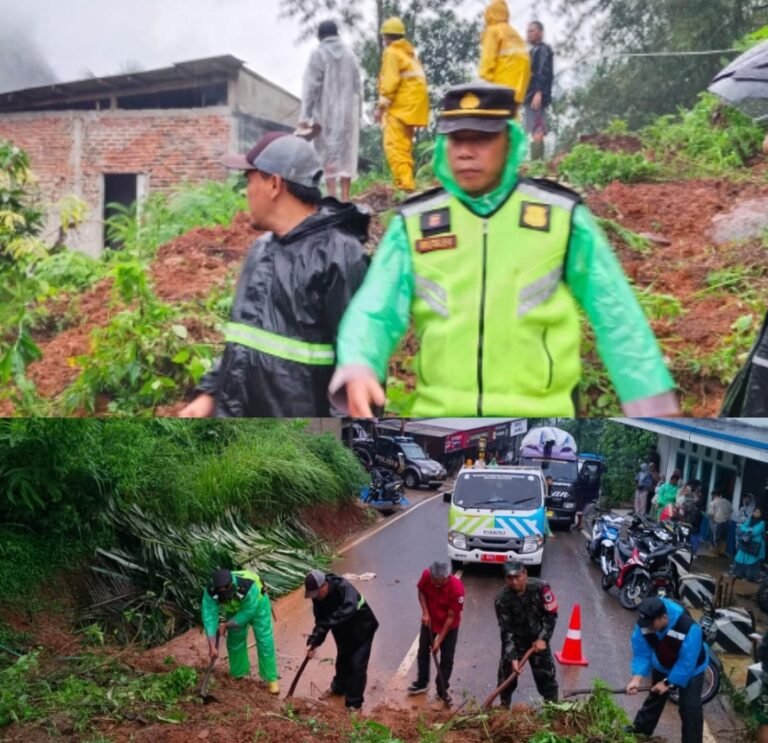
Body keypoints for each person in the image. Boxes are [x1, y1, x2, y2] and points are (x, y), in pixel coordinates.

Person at [330, 81, 679, 418]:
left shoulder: (559, 216)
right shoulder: (416, 223)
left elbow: (615, 312)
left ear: (510, 140)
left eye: (482, 138)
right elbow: (375, 308)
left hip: (541, 413)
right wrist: (358, 364)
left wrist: (650, 401)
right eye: (456, 139)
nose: (466, 152)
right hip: (439, 414)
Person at [179, 134, 369, 418]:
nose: (245, 192)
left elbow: (360, 371)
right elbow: (243, 341)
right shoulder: (260, 250)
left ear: (274, 184)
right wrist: (210, 394)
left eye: (249, 180)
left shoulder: (339, 255)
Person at [626, 597, 709, 742]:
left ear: (664, 617)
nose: (648, 628)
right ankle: (641, 729)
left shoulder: (688, 627)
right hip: (663, 662)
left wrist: (667, 683)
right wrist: (636, 678)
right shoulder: (646, 622)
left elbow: (686, 663)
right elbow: (642, 652)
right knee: (655, 694)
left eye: (651, 624)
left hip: (692, 669)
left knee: (689, 707)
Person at [299, 20, 363, 203]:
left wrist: (305, 116)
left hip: (325, 113)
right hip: (348, 113)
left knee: (327, 154)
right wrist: (359, 114)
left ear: (320, 36)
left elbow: (311, 86)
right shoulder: (350, 54)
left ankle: (332, 196)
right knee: (346, 154)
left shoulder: (318, 53)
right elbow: (358, 86)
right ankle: (346, 198)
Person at [304, 569, 379, 712]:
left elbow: (348, 609)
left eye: (317, 593)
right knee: (343, 659)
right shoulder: (317, 597)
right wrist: (314, 641)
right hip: (342, 630)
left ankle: (354, 704)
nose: (316, 597)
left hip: (362, 627)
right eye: (313, 595)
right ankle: (338, 688)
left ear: (324, 585)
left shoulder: (343, 587)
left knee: (357, 664)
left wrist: (327, 623)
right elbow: (321, 621)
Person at [201, 568, 279, 692]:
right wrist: (212, 645)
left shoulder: (247, 585)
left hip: (258, 606)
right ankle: (238, 674)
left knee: (264, 641)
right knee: (235, 641)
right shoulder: (211, 590)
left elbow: (248, 612)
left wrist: (226, 625)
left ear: (231, 585)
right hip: (234, 609)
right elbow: (209, 616)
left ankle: (271, 678)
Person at [375, 17, 430, 193]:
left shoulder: (392, 52)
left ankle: (405, 187)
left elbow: (390, 82)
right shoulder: (409, 55)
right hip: (412, 109)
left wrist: (380, 108)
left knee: (394, 147)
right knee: (404, 148)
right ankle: (407, 184)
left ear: (386, 37)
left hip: (399, 109)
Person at [494, 561, 558, 708]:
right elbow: (506, 630)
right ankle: (503, 709)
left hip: (538, 640)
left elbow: (551, 615)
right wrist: (512, 657)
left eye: (517, 577)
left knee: (546, 678)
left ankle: (553, 709)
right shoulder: (502, 599)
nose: (514, 581)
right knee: (506, 676)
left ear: (525, 574)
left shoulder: (541, 588)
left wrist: (543, 638)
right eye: (510, 578)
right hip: (516, 642)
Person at [407, 561, 465, 705]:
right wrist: (425, 612)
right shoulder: (427, 575)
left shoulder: (457, 589)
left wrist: (439, 641)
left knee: (447, 658)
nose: (434, 584)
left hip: (449, 626)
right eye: (433, 581)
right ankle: (422, 683)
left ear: (447, 577)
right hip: (430, 621)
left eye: (438, 582)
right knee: (423, 650)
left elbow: (451, 617)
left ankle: (442, 690)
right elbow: (421, 591)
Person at [478, 0, 531, 109]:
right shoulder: (515, 34)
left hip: (499, 86)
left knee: (493, 116)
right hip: (518, 89)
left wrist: (483, 82)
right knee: (511, 116)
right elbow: (526, 63)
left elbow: (488, 59)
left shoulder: (492, 31)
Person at [523, 20, 554, 161]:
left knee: (537, 128)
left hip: (535, 95)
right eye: (527, 31)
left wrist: (538, 92)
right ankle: (536, 162)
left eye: (532, 31)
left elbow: (543, 71)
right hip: (531, 94)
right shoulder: (534, 50)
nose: (528, 34)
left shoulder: (542, 50)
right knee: (534, 127)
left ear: (540, 33)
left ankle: (536, 164)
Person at [733, 508, 765, 582]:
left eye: (758, 512)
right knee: (739, 558)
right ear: (753, 513)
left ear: (761, 514)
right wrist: (749, 530)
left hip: (754, 545)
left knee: (751, 560)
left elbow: (755, 532)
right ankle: (738, 574)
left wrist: (747, 530)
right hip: (745, 543)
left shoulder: (762, 523)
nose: (756, 513)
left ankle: (749, 577)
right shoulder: (749, 520)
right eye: (755, 512)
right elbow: (742, 526)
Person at [707, 490, 732, 557]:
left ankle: (714, 553)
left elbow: (711, 513)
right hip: (726, 522)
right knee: (723, 538)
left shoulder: (713, 503)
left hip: (717, 522)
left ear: (713, 495)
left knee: (715, 538)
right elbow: (731, 510)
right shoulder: (727, 502)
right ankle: (721, 551)